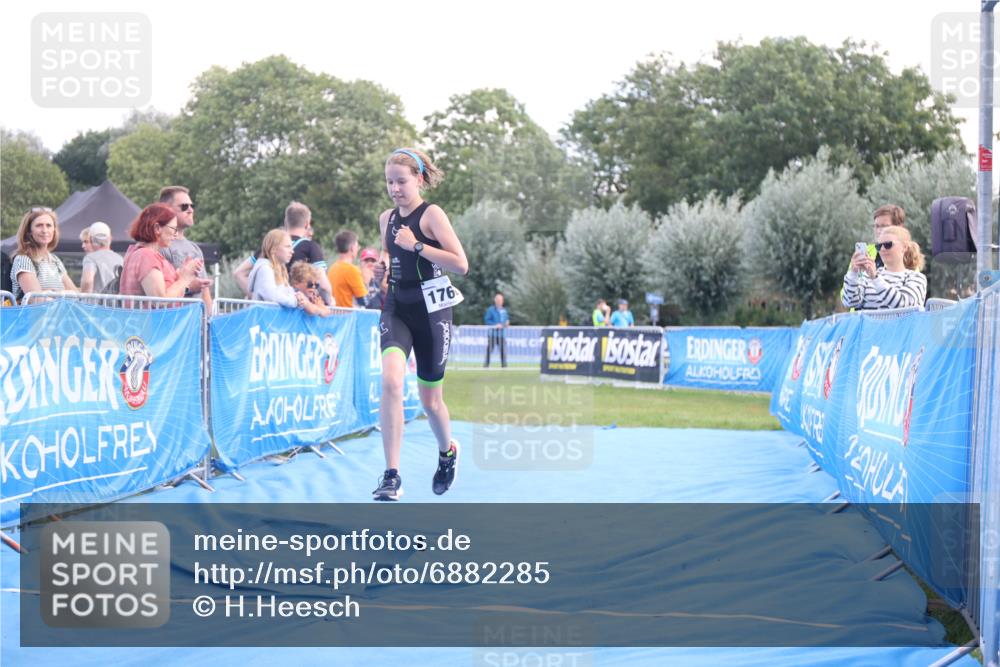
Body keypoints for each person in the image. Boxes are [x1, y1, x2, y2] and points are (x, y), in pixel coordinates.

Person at [373, 148, 469, 501]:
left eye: (401, 181)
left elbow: (461, 264)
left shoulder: (431, 215)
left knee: (431, 402)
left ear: (419, 179)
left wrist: (417, 246)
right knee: (391, 381)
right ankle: (391, 475)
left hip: (432, 311)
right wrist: (382, 270)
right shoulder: (386, 219)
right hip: (397, 305)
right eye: (389, 182)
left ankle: (447, 454)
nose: (395, 189)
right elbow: (389, 254)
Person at [233, 201, 331, 297]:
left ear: (285, 222)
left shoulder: (270, 246)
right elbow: (324, 285)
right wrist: (330, 300)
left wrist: (257, 297)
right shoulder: (311, 247)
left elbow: (239, 273)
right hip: (299, 309)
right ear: (307, 224)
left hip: (272, 310)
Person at [120, 204, 205, 298]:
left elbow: (167, 294)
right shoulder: (146, 256)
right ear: (157, 228)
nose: (176, 235)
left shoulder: (142, 254)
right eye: (174, 229)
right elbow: (161, 300)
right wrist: (184, 279)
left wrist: (181, 276)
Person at [842, 225, 927, 310]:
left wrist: (875, 278)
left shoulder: (917, 278)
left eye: (888, 245)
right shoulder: (867, 276)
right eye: (878, 246)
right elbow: (849, 302)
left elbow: (903, 304)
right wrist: (853, 273)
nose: (882, 249)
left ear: (904, 247)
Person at [158, 186, 212, 308]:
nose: (190, 210)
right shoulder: (160, 246)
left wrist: (209, 321)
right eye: (184, 206)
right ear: (167, 209)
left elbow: (205, 293)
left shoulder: (195, 248)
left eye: (192, 206)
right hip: (173, 321)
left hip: (196, 322)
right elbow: (159, 293)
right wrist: (188, 288)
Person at [10, 207, 77, 301]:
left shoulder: (55, 260)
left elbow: (75, 294)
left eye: (49, 225)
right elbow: (36, 300)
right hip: (33, 315)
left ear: (54, 230)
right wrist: (61, 295)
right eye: (39, 225)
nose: (45, 230)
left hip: (58, 315)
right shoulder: (23, 259)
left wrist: (51, 293)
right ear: (29, 231)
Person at [248, 229, 311, 309]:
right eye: (287, 247)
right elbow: (271, 296)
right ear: (273, 249)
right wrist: (295, 301)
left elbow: (287, 293)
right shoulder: (265, 269)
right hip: (263, 320)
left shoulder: (280, 270)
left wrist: (299, 297)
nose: (292, 251)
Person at [79, 222, 123, 293]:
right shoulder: (120, 259)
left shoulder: (90, 258)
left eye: (86, 242)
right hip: (115, 303)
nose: (83, 246)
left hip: (96, 303)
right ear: (110, 238)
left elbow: (87, 281)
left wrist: (84, 299)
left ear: (90, 239)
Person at [328, 229, 368, 308]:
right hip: (347, 317)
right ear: (352, 248)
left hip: (334, 316)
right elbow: (364, 301)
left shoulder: (332, 268)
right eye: (357, 246)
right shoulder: (351, 270)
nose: (358, 249)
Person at [484, 292, 509, 368]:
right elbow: (486, 320)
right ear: (495, 301)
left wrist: (507, 322)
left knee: (503, 351)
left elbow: (506, 320)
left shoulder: (504, 310)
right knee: (489, 350)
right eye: (498, 300)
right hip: (492, 334)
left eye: (501, 300)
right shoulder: (490, 310)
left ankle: (504, 366)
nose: (499, 301)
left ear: (502, 301)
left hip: (502, 334)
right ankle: (486, 365)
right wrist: (495, 325)